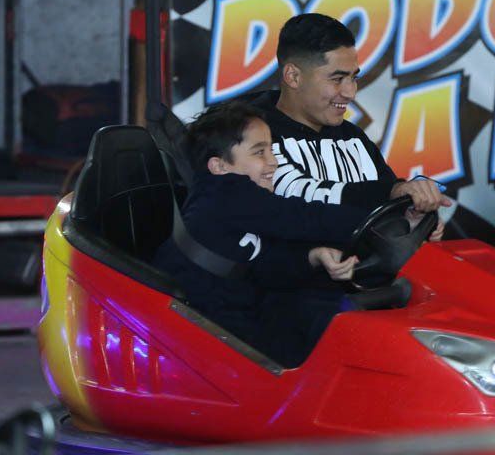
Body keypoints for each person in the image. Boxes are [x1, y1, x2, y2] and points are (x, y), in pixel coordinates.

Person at [153, 101, 366, 367]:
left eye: (271, 151)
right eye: (259, 152)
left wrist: (313, 256)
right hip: (208, 329)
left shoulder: (226, 201)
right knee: (335, 341)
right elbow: (303, 218)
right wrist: (376, 217)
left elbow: (263, 261)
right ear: (219, 166)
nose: (273, 162)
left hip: (231, 309)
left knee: (322, 310)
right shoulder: (226, 192)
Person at [250, 13, 451, 232]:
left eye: (354, 78)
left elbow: (388, 211)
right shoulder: (248, 134)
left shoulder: (354, 137)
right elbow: (296, 192)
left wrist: (411, 218)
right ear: (293, 76)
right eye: (337, 79)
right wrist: (392, 192)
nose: (350, 93)